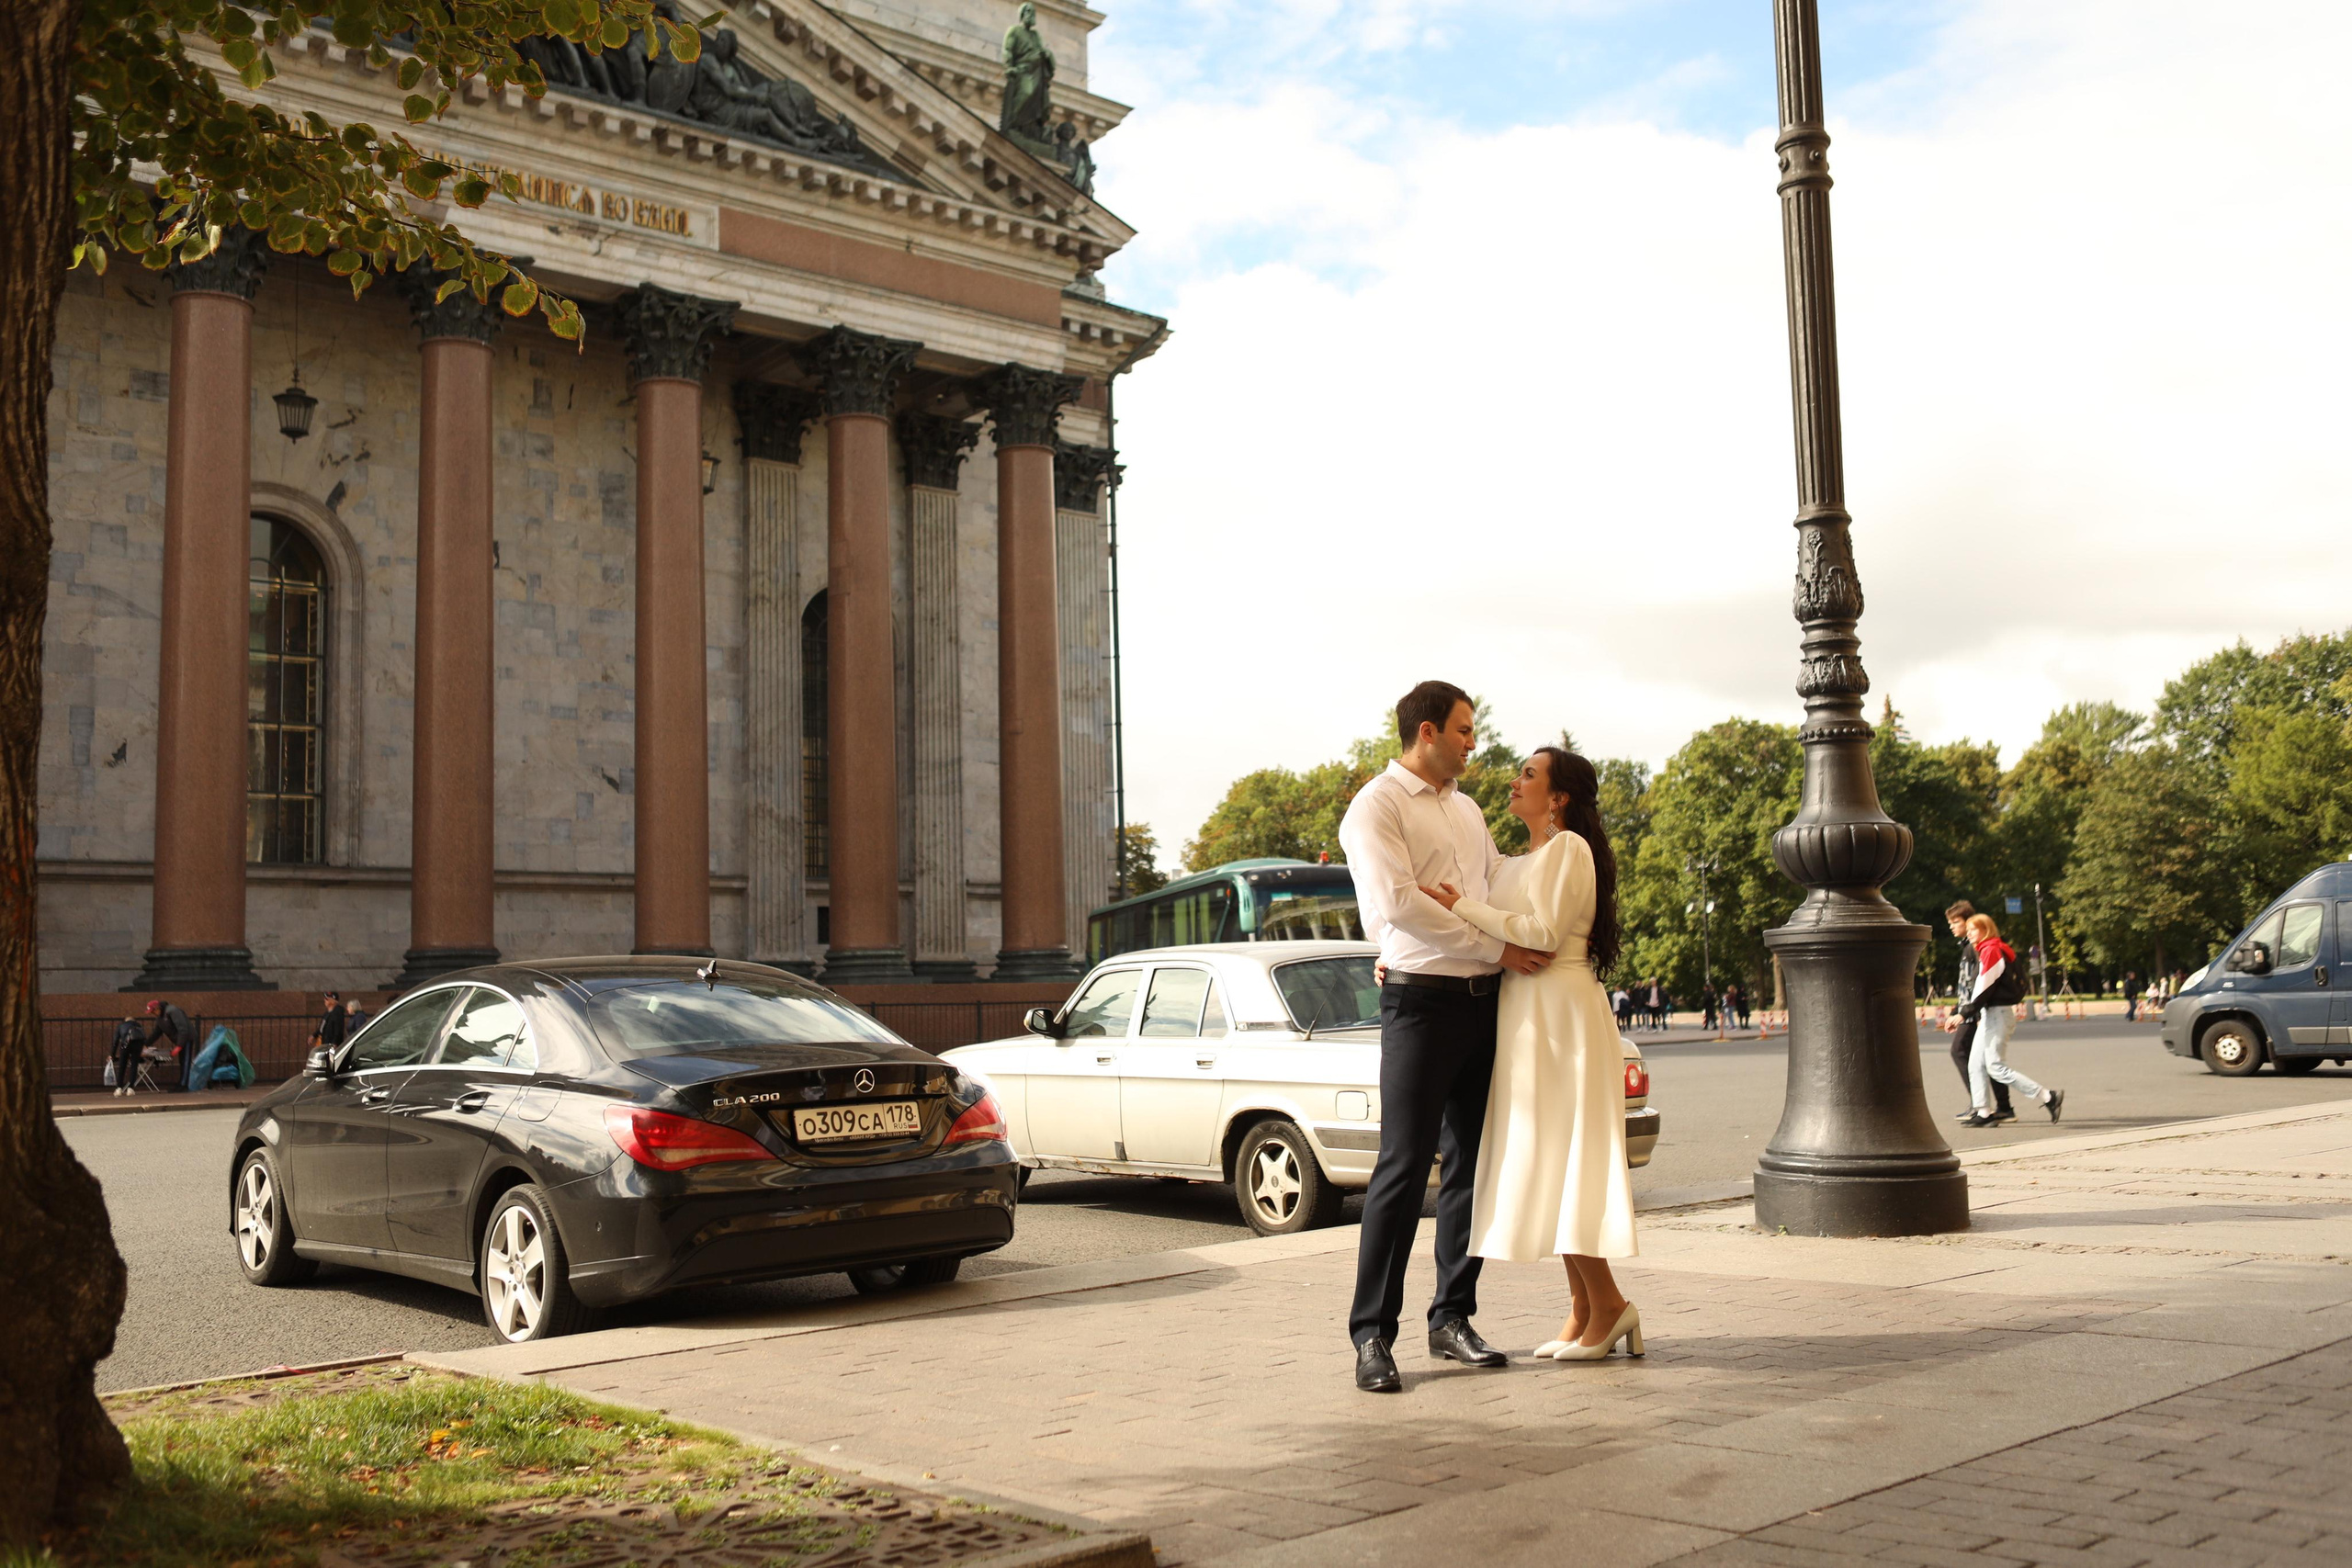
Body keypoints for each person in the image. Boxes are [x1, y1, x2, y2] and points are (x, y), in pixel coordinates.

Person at [1337, 681, 1552, 1394]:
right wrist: (1493, 944)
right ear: (1426, 731)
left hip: (1482, 1003)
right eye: (1464, 729)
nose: (1473, 741)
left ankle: (1452, 1315)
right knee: (1401, 1171)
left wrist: (1520, 918)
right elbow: (1397, 903)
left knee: (1471, 1168)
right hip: (1419, 1004)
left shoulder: (1467, 810)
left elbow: (1491, 885)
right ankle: (1372, 1335)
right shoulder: (1377, 805)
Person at [1421, 746, 1641, 1360]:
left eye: (1528, 774)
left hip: (1560, 1015)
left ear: (1559, 796)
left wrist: (1458, 906)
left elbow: (1542, 933)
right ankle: (1586, 1305)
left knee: (1567, 1157)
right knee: (1549, 1159)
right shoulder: (1524, 858)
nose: (1514, 781)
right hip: (1529, 1014)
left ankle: (1610, 1304)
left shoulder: (1569, 848)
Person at [1960, 912, 2062, 1128]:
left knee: (1995, 1066)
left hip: (1998, 1014)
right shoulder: (1989, 949)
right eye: (1968, 930)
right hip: (1990, 1014)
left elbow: (1985, 987)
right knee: (1975, 1063)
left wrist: (1963, 1013)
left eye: (1973, 930)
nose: (1969, 934)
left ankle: (2047, 1096)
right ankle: (1984, 1112)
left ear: (1985, 930)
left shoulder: (1991, 950)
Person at [1939, 902, 2011, 1124]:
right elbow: (1965, 985)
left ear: (1970, 922)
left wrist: (1969, 1013)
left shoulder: (1973, 948)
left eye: (1956, 922)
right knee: (1986, 1059)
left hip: (1973, 1012)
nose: (1952, 927)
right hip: (1969, 1011)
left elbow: (1979, 985)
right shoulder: (1967, 947)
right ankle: (2003, 1106)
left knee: (1959, 1051)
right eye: (1950, 923)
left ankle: (1980, 1105)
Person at [142, 998, 194, 1090]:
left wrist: (179, 1045)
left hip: (186, 1038)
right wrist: (146, 1044)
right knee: (183, 1062)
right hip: (180, 1040)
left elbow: (183, 1028)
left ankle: (184, 1085)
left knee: (185, 1061)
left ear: (158, 1008)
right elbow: (156, 1033)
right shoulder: (160, 1019)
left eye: (153, 1011)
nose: (152, 1014)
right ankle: (182, 1083)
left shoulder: (172, 1011)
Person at [109, 1014, 145, 1097]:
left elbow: (115, 1041)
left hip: (125, 1046)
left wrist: (113, 1055)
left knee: (122, 1066)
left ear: (125, 1020)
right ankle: (131, 1088)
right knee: (134, 1066)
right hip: (137, 1047)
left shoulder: (121, 1026)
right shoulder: (138, 1025)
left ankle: (119, 1088)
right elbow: (143, 1038)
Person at [311, 991, 348, 1055]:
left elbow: (338, 1029)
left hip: (331, 1043)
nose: (325, 1000)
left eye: (327, 999)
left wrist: (335, 1043)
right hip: (324, 1041)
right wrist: (314, 1035)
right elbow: (322, 1027)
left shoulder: (337, 1012)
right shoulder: (327, 1013)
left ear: (333, 1001)